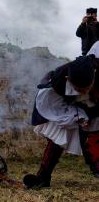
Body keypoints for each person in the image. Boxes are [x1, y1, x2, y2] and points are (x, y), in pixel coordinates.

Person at [23, 54, 99, 189]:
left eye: (87, 87)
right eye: (79, 89)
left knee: (95, 138)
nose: (84, 91)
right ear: (68, 79)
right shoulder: (58, 83)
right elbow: (57, 109)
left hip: (95, 106)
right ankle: (43, 177)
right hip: (69, 106)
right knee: (58, 135)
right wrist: (79, 118)